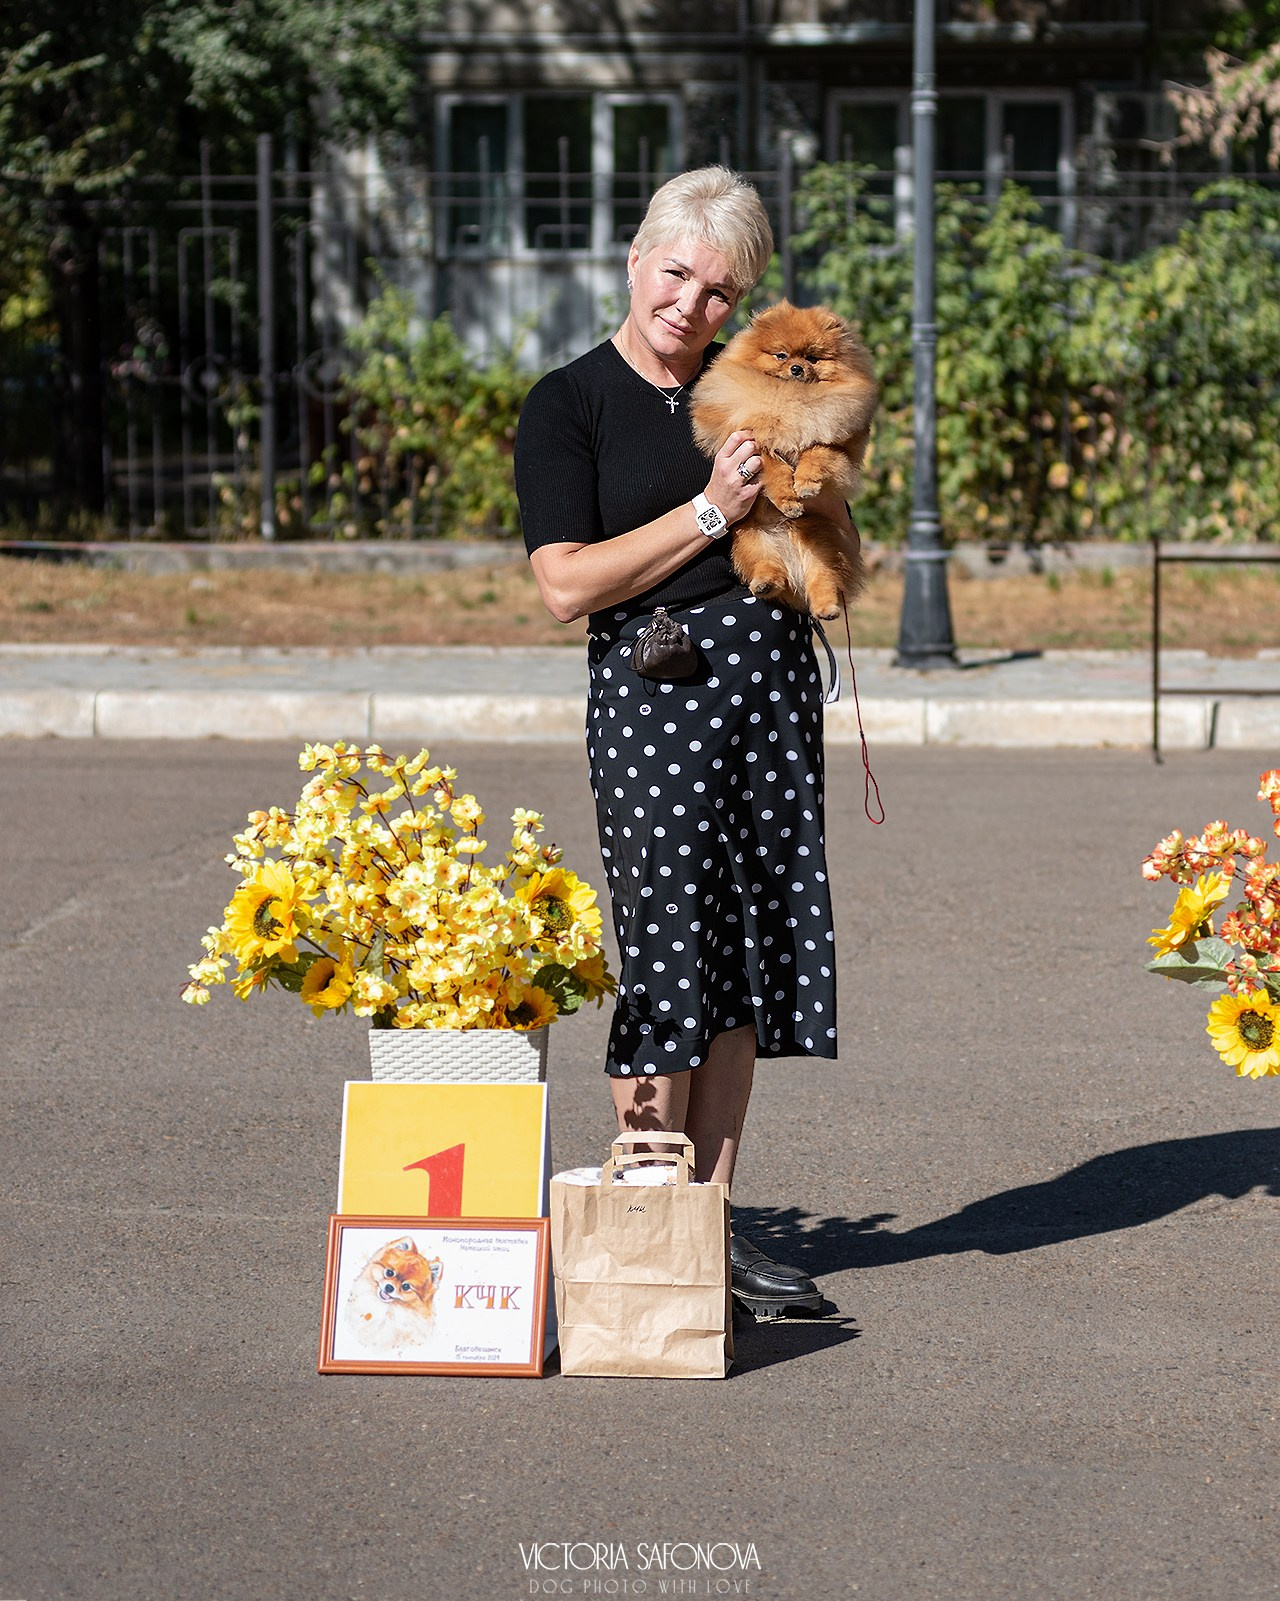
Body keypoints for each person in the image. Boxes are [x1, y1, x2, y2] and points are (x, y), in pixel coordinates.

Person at [515, 166, 851, 1318]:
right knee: (665, 956)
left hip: (765, 699)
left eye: (719, 291)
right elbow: (565, 584)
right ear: (633, 258)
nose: (690, 306)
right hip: (658, 704)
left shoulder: (744, 389)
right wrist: (709, 509)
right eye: (676, 274)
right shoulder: (570, 403)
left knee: (744, 962)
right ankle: (650, 1217)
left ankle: (708, 1218)